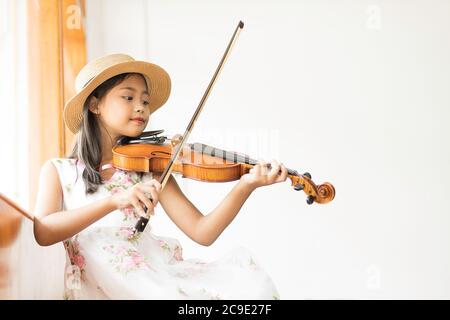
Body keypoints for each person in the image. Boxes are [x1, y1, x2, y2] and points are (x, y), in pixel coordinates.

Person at [33, 53, 288, 300]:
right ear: (94, 104)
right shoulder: (58, 171)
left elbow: (203, 232)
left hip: (153, 284)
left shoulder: (149, 168)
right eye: (128, 97)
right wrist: (114, 201)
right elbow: (43, 231)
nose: (141, 107)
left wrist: (245, 185)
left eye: (145, 101)